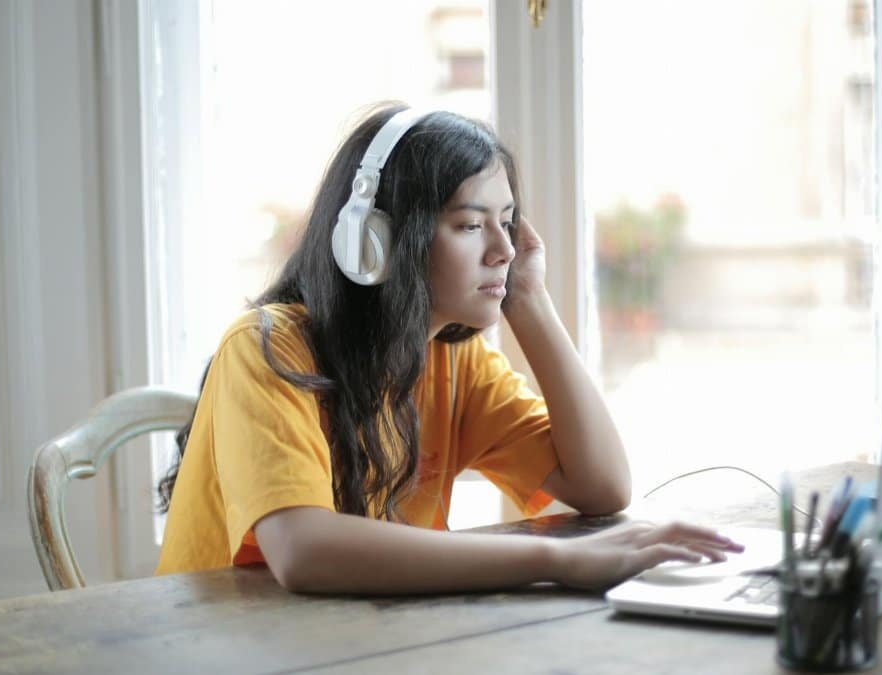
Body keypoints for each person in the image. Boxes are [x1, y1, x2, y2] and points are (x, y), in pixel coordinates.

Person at [155, 104, 743, 593]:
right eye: (469, 225)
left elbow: (601, 486)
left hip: (353, 642)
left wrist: (530, 304)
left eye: (508, 222)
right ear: (375, 241)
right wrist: (552, 561)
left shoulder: (453, 359)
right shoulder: (268, 348)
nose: (504, 249)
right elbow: (303, 550)